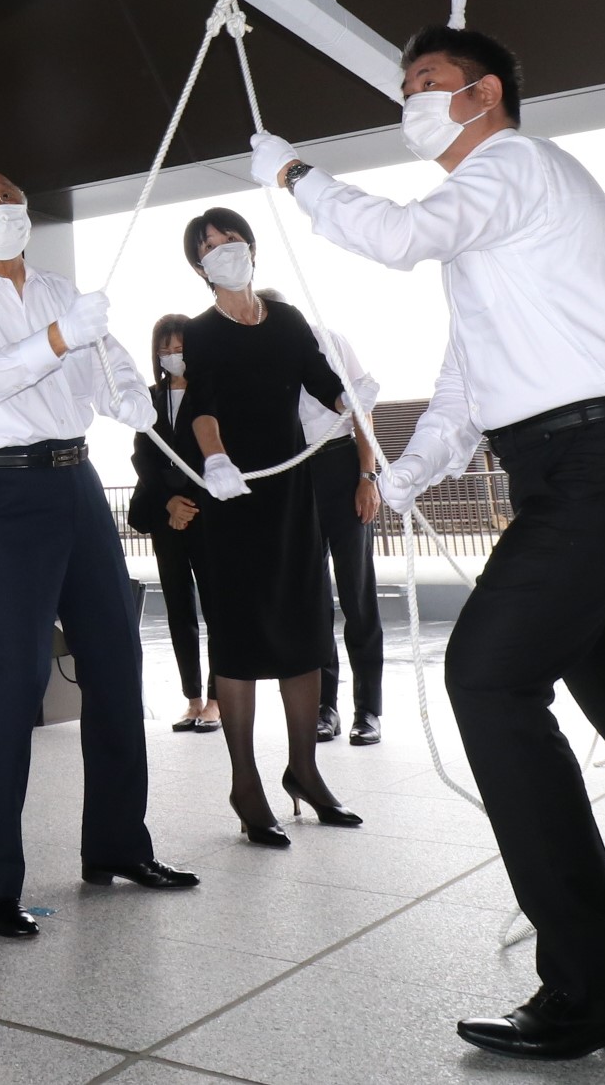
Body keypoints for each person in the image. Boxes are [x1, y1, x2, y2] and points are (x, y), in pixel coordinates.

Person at [251, 27, 605, 1062]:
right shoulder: (497, 230)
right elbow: (465, 386)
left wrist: (299, 175)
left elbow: (396, 239)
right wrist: (402, 472)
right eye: (403, 88)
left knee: (487, 678)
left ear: (483, 95)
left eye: (425, 86)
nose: (408, 103)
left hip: (596, 467)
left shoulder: (513, 166)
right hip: (582, 467)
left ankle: (593, 989)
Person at [0, 171, 197, 939]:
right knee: (14, 676)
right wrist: (61, 337)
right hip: (5, 492)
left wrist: (128, 396)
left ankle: (117, 844)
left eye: (7, 194)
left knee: (115, 658)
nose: (0, 205)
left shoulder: (59, 290)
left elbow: (101, 361)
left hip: (75, 478)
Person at [173, 214, 370, 844]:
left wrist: (359, 422)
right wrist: (216, 459)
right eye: (209, 249)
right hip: (233, 496)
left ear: (251, 249)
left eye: (229, 241)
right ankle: (245, 782)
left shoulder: (287, 322)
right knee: (238, 635)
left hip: (291, 496)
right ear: (199, 268)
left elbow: (327, 384)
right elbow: (201, 405)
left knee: (305, 627)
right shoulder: (201, 333)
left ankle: (305, 771)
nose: (223, 252)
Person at [286, 306, 385, 746]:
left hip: (340, 466)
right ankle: (325, 707)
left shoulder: (328, 339)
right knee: (309, 600)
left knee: (357, 594)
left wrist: (368, 477)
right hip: (292, 472)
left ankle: (369, 711)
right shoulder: (261, 353)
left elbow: (361, 410)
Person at [126, 315, 218, 734]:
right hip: (166, 516)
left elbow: (217, 453)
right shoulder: (148, 399)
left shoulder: (212, 391)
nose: (172, 357)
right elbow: (142, 457)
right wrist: (168, 503)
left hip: (208, 514)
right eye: (165, 350)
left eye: (179, 348)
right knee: (179, 608)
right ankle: (192, 699)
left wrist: (190, 503)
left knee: (218, 608)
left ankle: (217, 700)